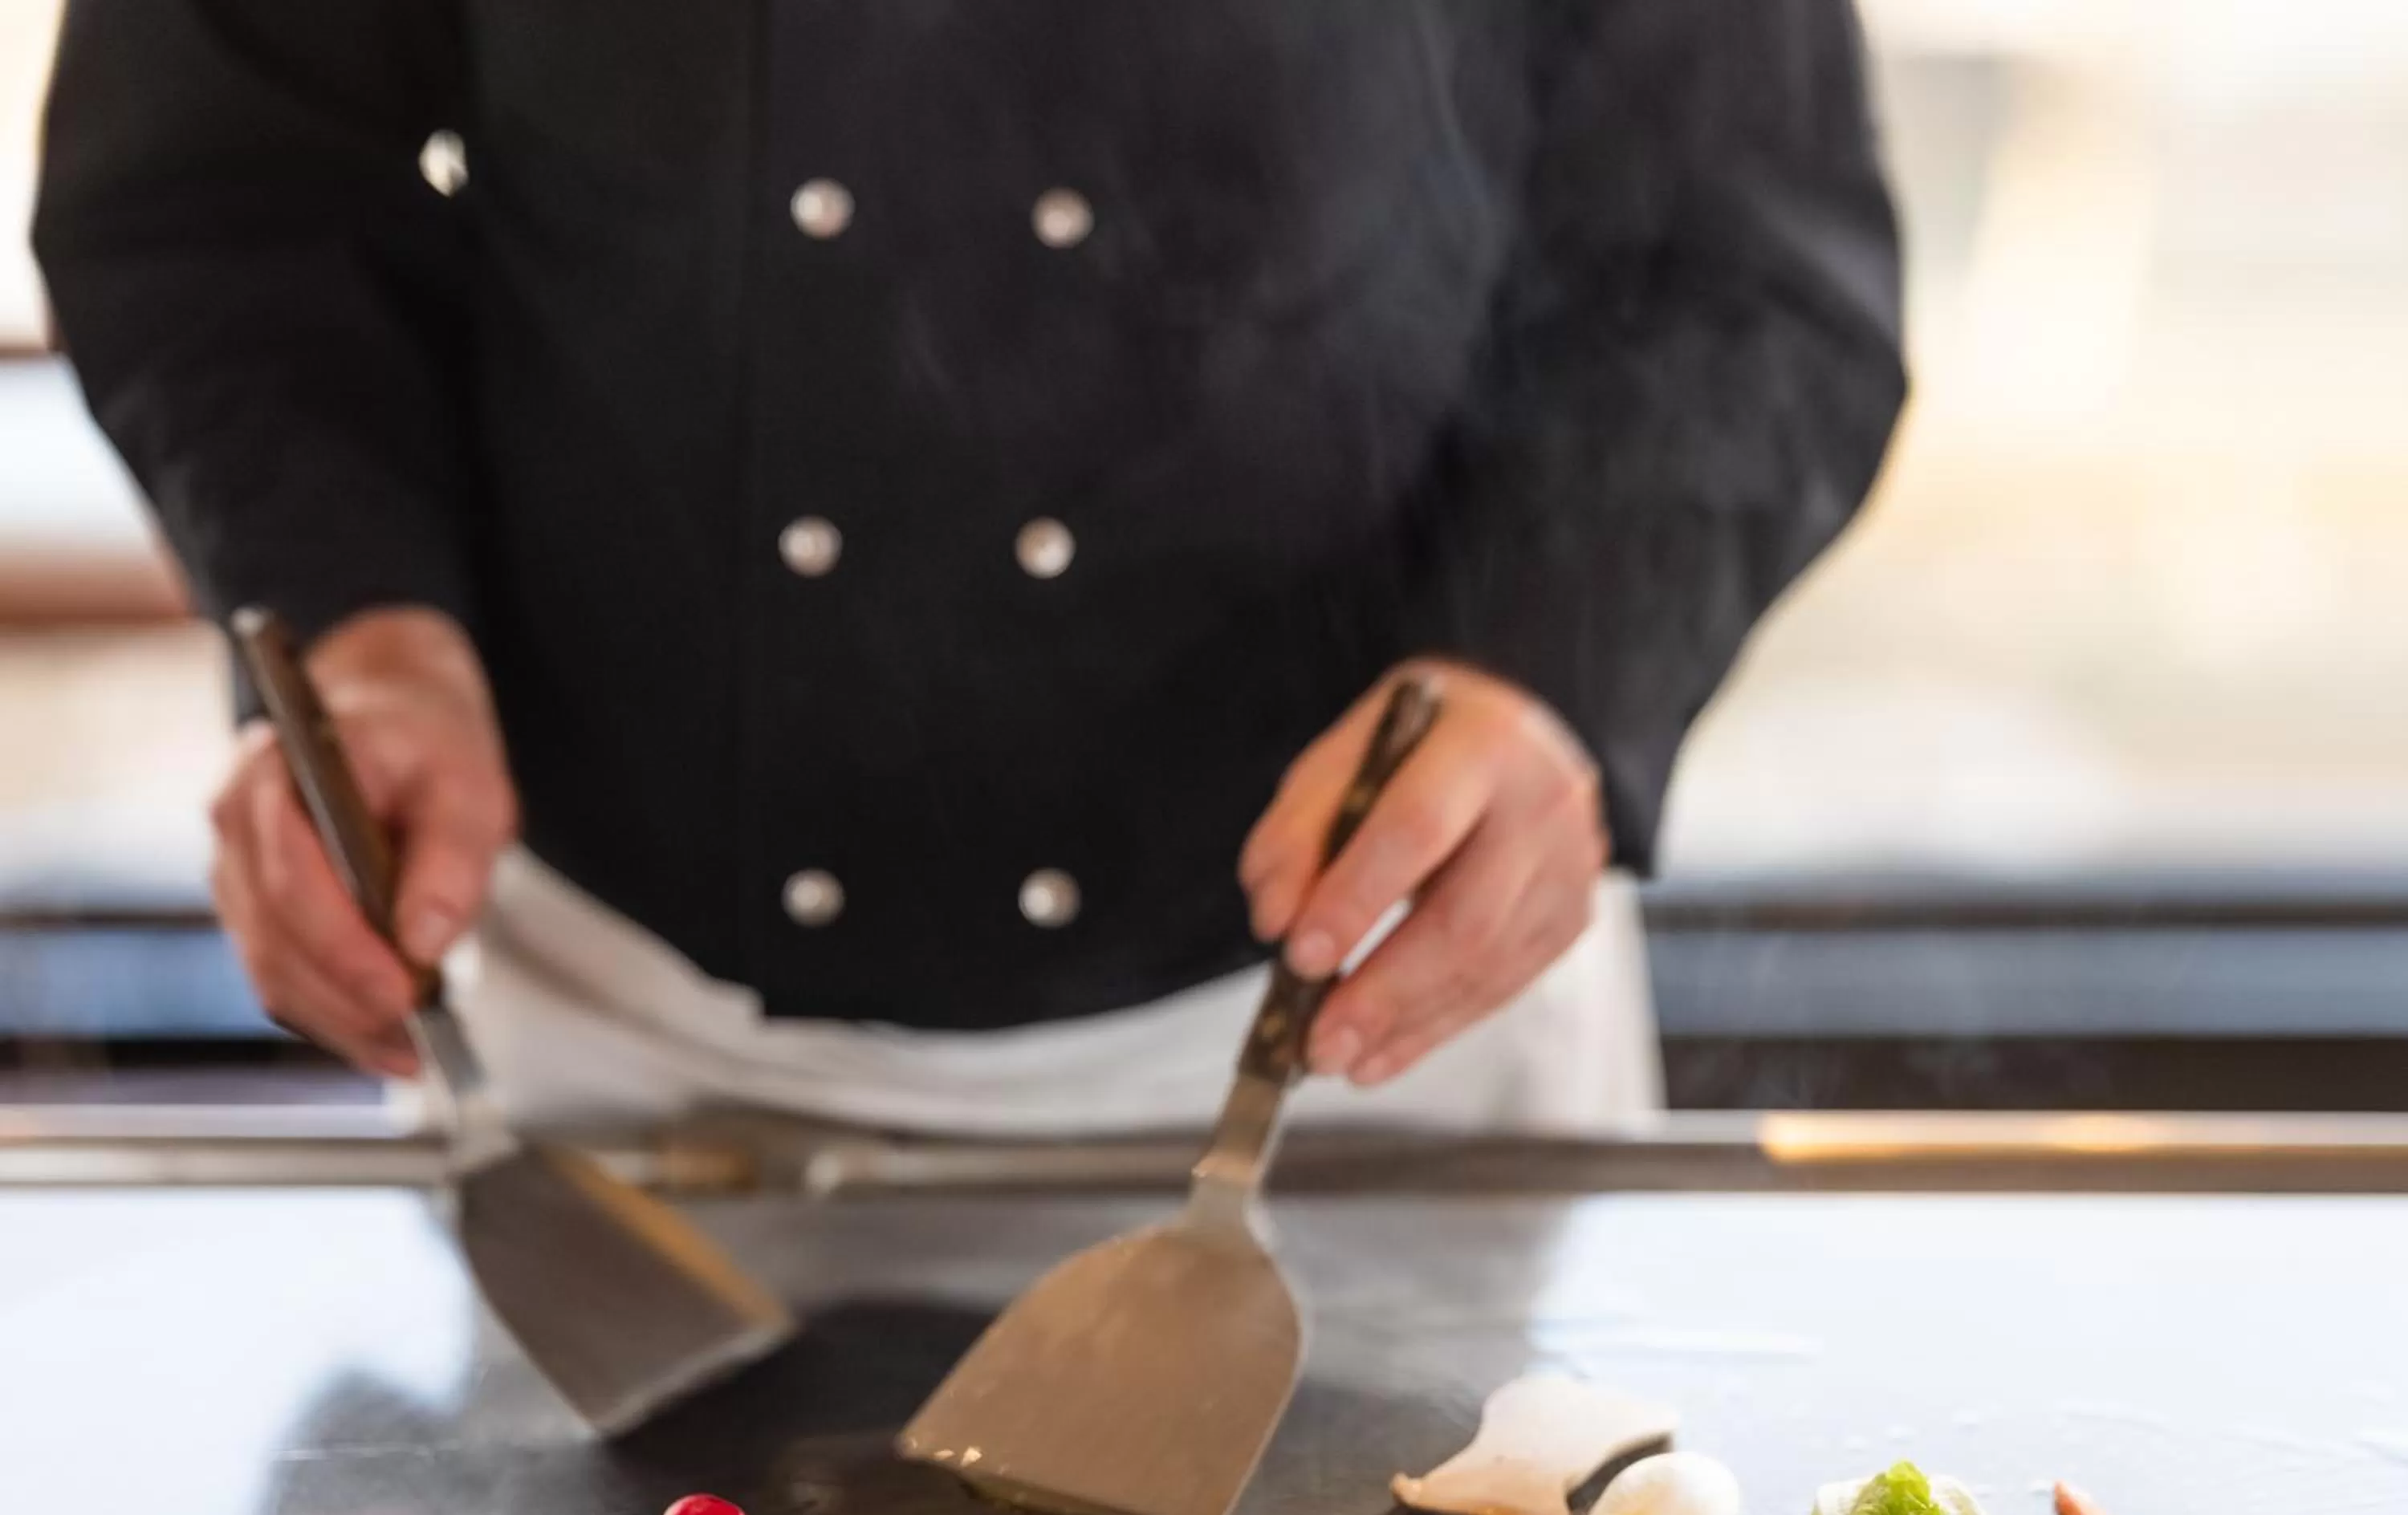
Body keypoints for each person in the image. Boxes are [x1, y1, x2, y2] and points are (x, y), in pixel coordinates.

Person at [35, 0, 1904, 1136]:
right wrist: (359, 629)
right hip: (618, 1054)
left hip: (1371, 1050)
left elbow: (1752, 274)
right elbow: (221, 196)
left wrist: (1552, 669)